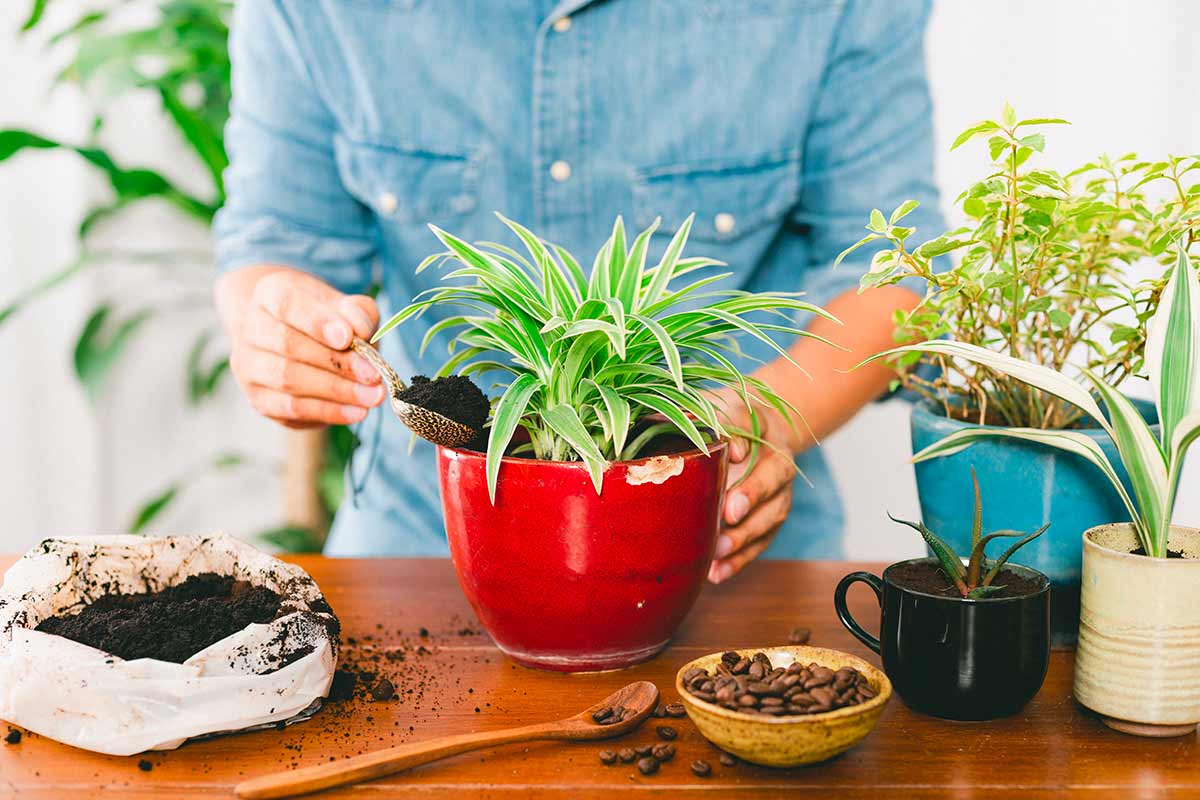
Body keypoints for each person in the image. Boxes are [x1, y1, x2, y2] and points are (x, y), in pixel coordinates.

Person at [214, 0, 942, 581]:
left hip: (723, 550)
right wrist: (282, 330)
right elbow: (276, 245)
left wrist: (767, 418)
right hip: (421, 550)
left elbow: (892, 280)